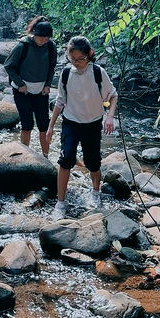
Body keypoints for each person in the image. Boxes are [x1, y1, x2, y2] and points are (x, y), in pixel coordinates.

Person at [45, 35, 117, 219]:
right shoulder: (66, 73)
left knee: (93, 162)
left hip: (92, 124)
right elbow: (60, 101)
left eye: (80, 59)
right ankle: (60, 203)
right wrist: (51, 126)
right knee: (66, 159)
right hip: (70, 123)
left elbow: (113, 95)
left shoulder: (98, 73)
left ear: (90, 54)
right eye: (72, 59)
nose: (76, 63)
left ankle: (95, 192)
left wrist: (110, 117)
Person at [4, 16, 57, 157]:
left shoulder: (51, 47)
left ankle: (45, 156)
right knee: (27, 125)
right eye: (41, 38)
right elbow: (8, 66)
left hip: (41, 91)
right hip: (23, 91)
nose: (43, 41)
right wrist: (20, 84)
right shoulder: (23, 46)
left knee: (43, 125)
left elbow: (52, 67)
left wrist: (47, 85)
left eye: (46, 38)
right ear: (34, 34)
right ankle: (24, 156)